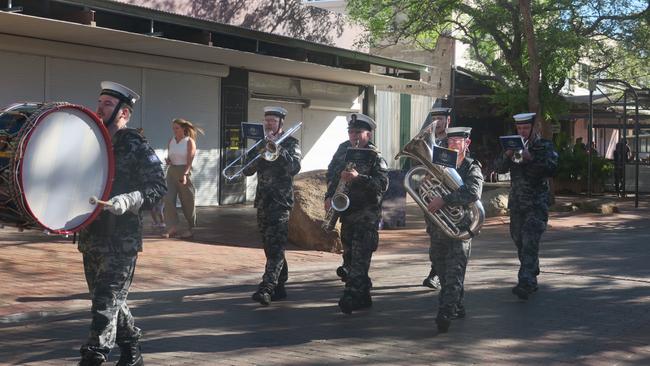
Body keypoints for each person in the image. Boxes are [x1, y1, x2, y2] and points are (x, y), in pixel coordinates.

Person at [78, 81, 166, 365]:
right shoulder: (92, 142)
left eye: (106, 103)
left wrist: (131, 199)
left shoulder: (136, 144)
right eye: (99, 101)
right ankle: (133, 350)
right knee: (109, 300)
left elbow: (157, 186)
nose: (99, 107)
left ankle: (94, 355)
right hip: (91, 236)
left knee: (104, 304)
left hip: (122, 240)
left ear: (123, 113)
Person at [325, 113, 388, 314]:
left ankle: (350, 296)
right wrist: (329, 195)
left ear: (368, 134)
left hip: (366, 214)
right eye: (351, 132)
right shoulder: (343, 149)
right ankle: (363, 296)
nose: (354, 136)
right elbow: (331, 172)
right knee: (350, 258)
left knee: (361, 257)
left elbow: (382, 184)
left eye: (358, 132)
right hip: (347, 213)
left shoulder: (375, 155)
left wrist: (358, 178)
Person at [425, 126, 483, 332]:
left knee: (454, 274)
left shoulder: (471, 167)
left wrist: (445, 199)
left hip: (460, 229)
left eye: (456, 141)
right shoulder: (440, 164)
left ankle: (445, 313)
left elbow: (473, 193)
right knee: (441, 271)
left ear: (466, 144)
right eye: (449, 141)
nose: (451, 144)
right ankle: (457, 305)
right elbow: (426, 191)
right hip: (439, 229)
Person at [494, 112, 558, 301]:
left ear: (533, 128)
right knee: (519, 240)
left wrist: (531, 158)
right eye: (519, 128)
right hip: (517, 203)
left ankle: (525, 282)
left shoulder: (544, 146)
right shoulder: (513, 146)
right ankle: (532, 267)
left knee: (530, 240)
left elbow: (552, 168)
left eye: (525, 128)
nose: (522, 132)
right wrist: (507, 155)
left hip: (536, 203)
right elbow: (498, 168)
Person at [244, 106, 301, 306]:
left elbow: (294, 167)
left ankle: (266, 287)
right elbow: (247, 171)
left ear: (281, 123)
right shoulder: (259, 144)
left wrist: (278, 148)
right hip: (263, 201)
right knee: (271, 246)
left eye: (273, 121)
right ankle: (280, 286)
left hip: (280, 201)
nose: (269, 124)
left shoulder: (291, 143)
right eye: (266, 120)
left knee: (276, 246)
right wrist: (256, 151)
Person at [420, 103, 452, 290]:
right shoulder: (428, 141)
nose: (437, 123)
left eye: (440, 119)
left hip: (447, 197)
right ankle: (437, 270)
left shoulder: (456, 140)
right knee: (434, 236)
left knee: (446, 236)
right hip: (431, 195)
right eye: (434, 119)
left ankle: (438, 274)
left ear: (449, 120)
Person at [163, 118, 203, 239]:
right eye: (173, 128)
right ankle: (172, 227)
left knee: (187, 201)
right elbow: (170, 156)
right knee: (168, 198)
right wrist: (168, 160)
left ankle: (191, 227)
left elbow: (190, 161)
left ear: (183, 129)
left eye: (177, 128)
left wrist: (185, 175)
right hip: (172, 171)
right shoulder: (171, 141)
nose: (174, 130)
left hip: (184, 171)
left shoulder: (189, 141)